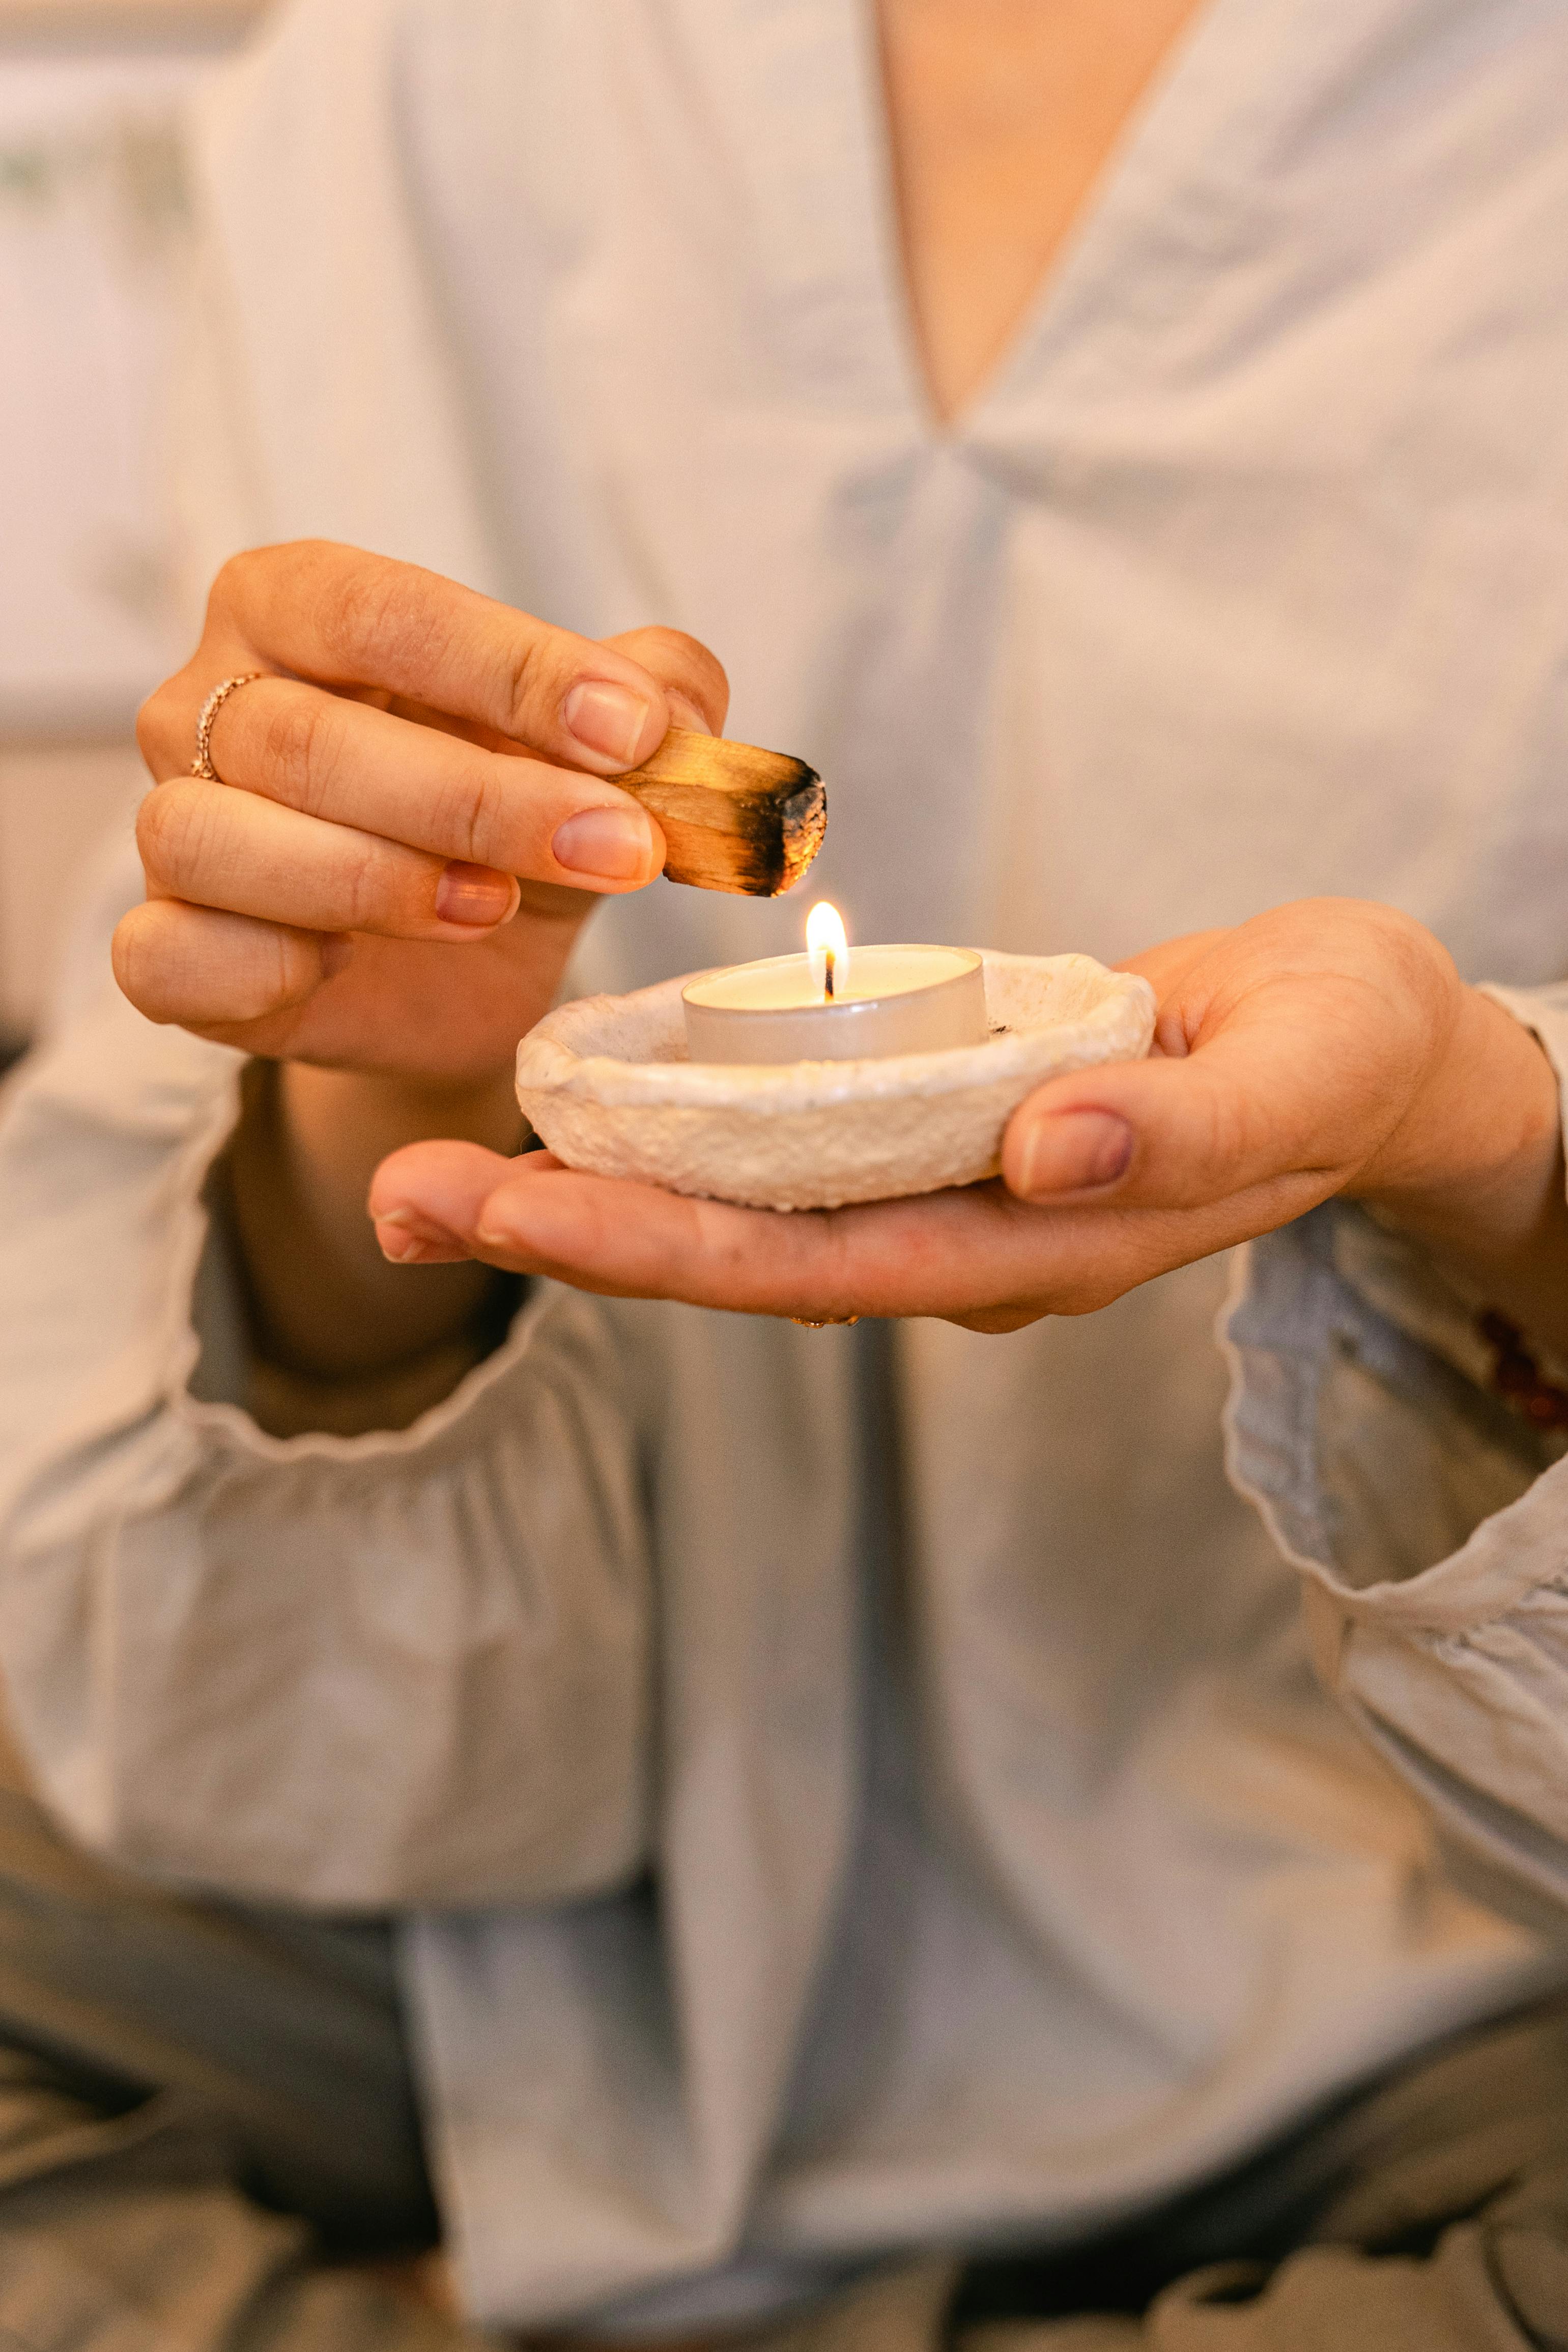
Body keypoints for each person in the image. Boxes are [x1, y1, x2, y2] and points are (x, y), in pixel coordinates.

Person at [1, 1, 1567, 2345]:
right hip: (520, 1939)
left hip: (1428, 1991)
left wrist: (1483, 1146)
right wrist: (379, 1091)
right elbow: (198, 1671)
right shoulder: (396, 93)